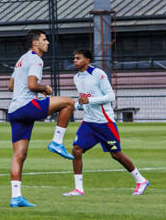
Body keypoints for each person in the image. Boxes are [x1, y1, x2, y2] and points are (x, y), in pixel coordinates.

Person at [62, 49, 149, 198]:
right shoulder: (76, 77)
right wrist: (72, 105)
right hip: (88, 122)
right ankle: (78, 189)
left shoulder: (98, 74)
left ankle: (140, 180)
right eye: (74, 58)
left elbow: (110, 96)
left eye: (78, 58)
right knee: (76, 149)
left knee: (115, 154)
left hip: (105, 122)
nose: (74, 60)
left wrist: (89, 100)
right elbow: (84, 100)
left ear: (87, 60)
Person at [5, 30, 78, 207]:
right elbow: (31, 85)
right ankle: (57, 142)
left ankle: (16, 197)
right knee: (68, 103)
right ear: (35, 43)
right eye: (44, 39)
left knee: (19, 155)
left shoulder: (22, 59)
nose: (48, 43)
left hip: (14, 111)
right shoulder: (36, 59)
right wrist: (45, 88)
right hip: (26, 106)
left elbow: (10, 86)